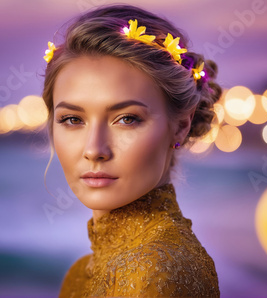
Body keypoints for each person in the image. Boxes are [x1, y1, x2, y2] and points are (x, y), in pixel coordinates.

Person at [41, 4, 221, 297]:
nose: (94, 149)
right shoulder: (80, 273)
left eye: (127, 119)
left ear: (181, 125)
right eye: (73, 119)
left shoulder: (156, 272)